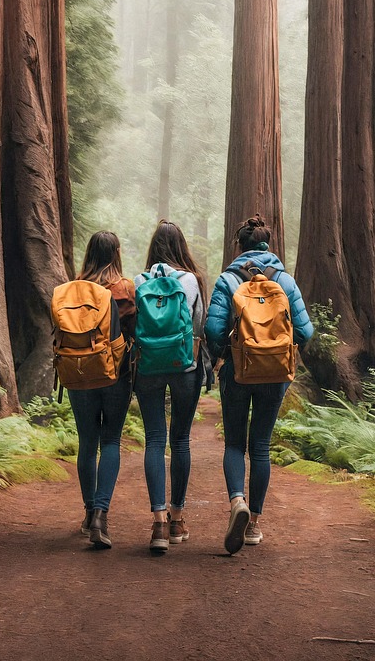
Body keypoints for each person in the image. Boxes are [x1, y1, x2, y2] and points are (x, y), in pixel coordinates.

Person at [204, 215, 313, 554]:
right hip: (276, 374)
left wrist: (226, 353)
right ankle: (253, 526)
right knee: (261, 446)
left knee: (235, 444)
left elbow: (212, 330)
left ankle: (238, 501)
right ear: (269, 245)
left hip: (238, 371)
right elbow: (306, 332)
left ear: (239, 246)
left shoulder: (227, 280)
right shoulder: (285, 281)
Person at [132, 220, 210, 554]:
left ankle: (158, 523)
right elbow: (199, 323)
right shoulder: (190, 280)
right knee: (180, 440)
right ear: (181, 247)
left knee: (153, 439)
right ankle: (178, 518)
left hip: (148, 366)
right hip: (184, 366)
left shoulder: (139, 279)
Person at [62, 230, 135, 550]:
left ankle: (88, 511)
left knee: (87, 442)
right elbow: (136, 331)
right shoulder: (125, 288)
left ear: (88, 253)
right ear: (116, 253)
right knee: (111, 441)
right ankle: (101, 516)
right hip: (116, 374)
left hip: (78, 373)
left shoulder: (70, 291)